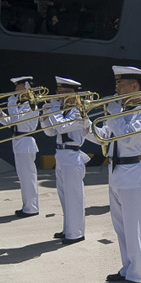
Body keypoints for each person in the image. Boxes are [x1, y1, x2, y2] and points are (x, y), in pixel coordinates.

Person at [85, 66, 141, 283]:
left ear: (134, 86)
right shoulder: (120, 111)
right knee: (121, 227)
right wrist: (85, 124)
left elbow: (127, 139)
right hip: (115, 173)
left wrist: (113, 112)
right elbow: (105, 137)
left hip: (132, 173)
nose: (116, 87)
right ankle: (128, 266)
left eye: (121, 83)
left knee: (135, 227)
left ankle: (138, 273)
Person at [39, 76, 89, 244]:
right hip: (60, 156)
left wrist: (53, 111)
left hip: (72, 156)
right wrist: (45, 117)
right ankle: (68, 228)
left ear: (74, 94)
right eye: (58, 92)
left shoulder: (78, 111)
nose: (59, 96)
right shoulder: (61, 110)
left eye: (63, 93)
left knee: (74, 197)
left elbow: (62, 126)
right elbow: (51, 132)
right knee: (64, 196)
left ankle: (76, 233)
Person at [0, 76, 41, 218]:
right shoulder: (18, 104)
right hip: (18, 141)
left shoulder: (32, 104)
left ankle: (32, 208)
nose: (15, 90)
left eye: (18, 87)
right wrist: (0, 113)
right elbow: (12, 123)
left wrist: (12, 104)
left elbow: (19, 120)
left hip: (26, 142)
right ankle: (27, 206)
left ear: (26, 87)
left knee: (28, 177)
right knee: (23, 177)